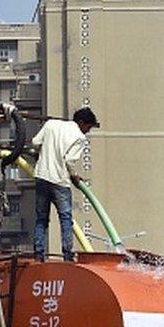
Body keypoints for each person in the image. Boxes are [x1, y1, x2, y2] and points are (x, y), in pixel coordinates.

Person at [31, 107, 99, 261]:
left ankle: (38, 252)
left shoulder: (51, 124)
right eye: (88, 127)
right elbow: (69, 160)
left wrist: (43, 154)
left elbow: (35, 142)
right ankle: (67, 254)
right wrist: (74, 176)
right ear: (81, 123)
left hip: (41, 176)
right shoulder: (79, 137)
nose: (88, 131)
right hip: (60, 181)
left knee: (41, 218)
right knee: (65, 218)